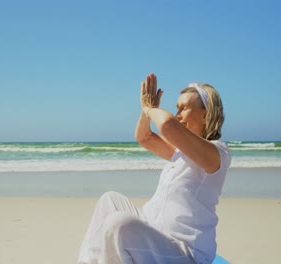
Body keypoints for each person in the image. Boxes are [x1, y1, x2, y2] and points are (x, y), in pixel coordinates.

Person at [78, 73, 231, 264]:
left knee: (119, 224)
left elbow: (167, 124)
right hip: (155, 232)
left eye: (184, 108)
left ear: (206, 114)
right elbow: (144, 137)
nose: (178, 114)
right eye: (177, 109)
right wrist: (146, 111)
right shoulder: (180, 153)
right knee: (109, 200)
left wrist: (150, 108)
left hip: (185, 252)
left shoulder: (217, 154)